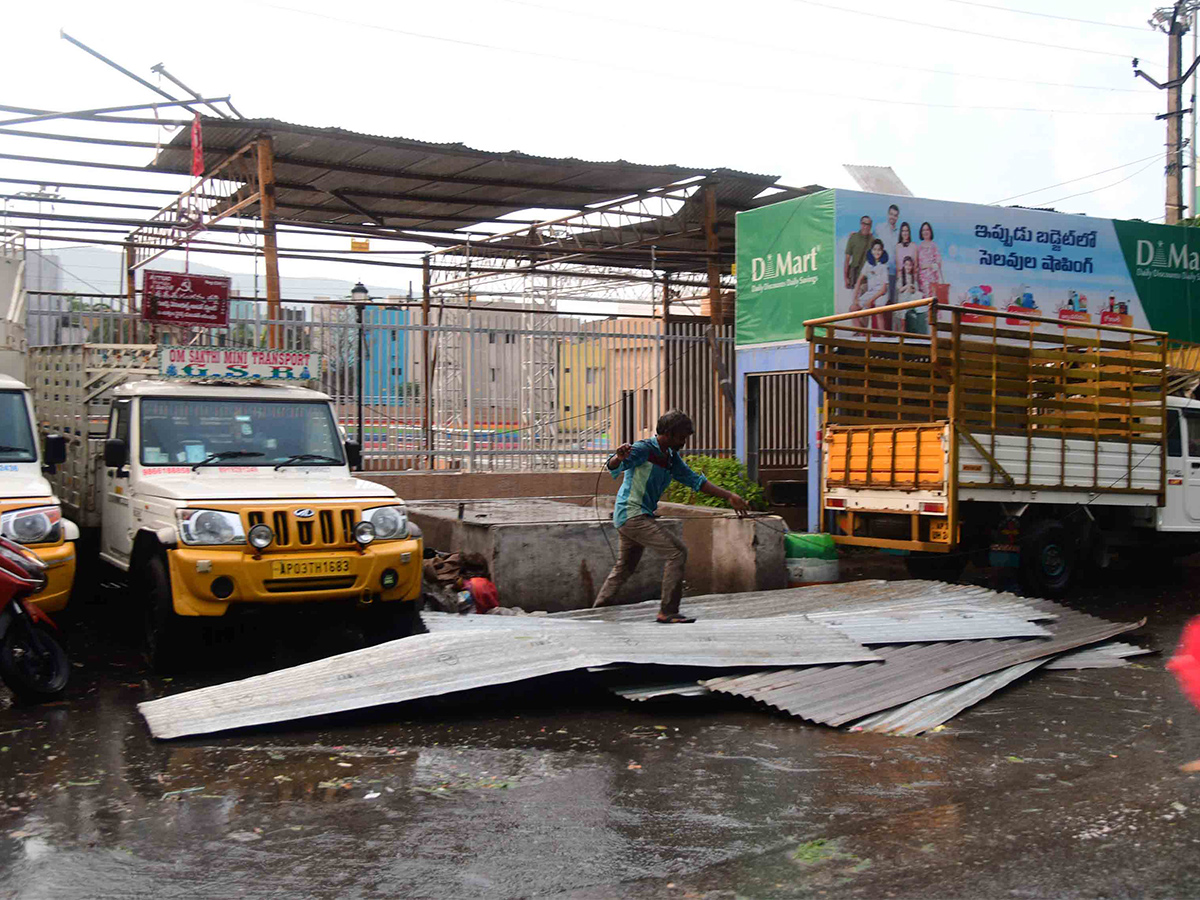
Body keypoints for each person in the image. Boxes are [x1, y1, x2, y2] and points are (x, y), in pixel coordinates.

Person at [593, 410, 749, 623]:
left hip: (636, 516)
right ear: (667, 433)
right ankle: (668, 611)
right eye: (681, 437)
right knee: (677, 552)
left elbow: (695, 481)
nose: (684, 442)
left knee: (625, 567)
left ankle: (598, 609)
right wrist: (618, 457)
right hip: (632, 514)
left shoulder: (671, 458)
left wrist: (729, 496)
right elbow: (614, 465)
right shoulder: (643, 449)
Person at [852, 239, 890, 330]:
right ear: (871, 250)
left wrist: (871, 300)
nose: (877, 252)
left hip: (881, 294)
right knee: (853, 308)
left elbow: (883, 289)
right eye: (874, 249)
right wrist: (855, 298)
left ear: (882, 251)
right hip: (872, 292)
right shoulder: (868, 264)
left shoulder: (884, 267)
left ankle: (882, 337)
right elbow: (859, 281)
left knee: (878, 311)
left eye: (879, 250)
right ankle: (860, 333)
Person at [843, 215, 874, 298]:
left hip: (867, 280)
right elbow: (847, 260)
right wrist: (845, 278)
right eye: (864, 224)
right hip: (854, 278)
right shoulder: (853, 238)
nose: (866, 227)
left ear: (870, 226)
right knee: (855, 305)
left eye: (868, 225)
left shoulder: (873, 240)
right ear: (861, 224)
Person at [916, 221, 944, 297]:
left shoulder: (934, 246)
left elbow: (938, 263)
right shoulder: (919, 247)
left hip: (932, 280)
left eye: (927, 230)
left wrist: (930, 266)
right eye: (923, 230)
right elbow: (917, 264)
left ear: (930, 231)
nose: (925, 232)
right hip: (921, 280)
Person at [882, 204, 900, 303]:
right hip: (881, 271)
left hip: (893, 273)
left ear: (897, 217)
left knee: (891, 300)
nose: (893, 217)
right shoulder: (880, 228)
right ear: (888, 214)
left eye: (895, 215)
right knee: (881, 300)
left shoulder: (899, 233)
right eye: (891, 214)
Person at [894, 222, 917, 291]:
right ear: (901, 233)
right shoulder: (897, 246)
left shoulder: (913, 246)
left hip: (911, 279)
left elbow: (915, 265)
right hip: (901, 279)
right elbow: (898, 266)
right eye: (903, 231)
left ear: (909, 232)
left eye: (906, 231)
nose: (905, 233)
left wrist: (912, 281)